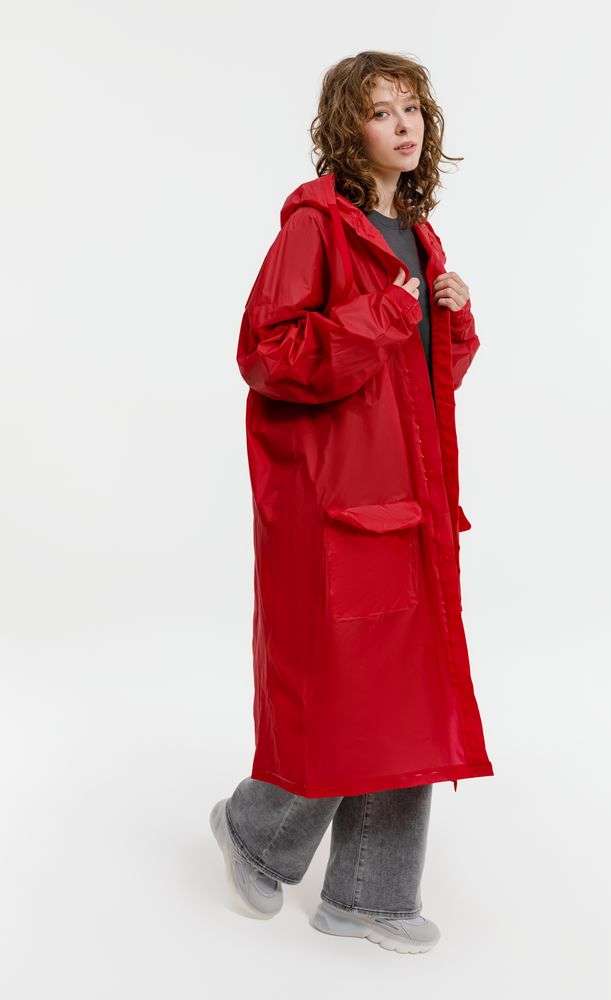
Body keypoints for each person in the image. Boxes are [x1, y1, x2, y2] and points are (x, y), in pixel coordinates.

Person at [210, 50, 493, 955]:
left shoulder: (417, 235)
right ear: (348, 127)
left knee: (409, 694)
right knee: (350, 691)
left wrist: (450, 320)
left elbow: (418, 385)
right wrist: (383, 315)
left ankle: (369, 896)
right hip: (334, 502)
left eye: (412, 108)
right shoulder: (316, 227)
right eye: (381, 111)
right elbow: (269, 355)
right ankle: (254, 829)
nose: (403, 125)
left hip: (410, 500)